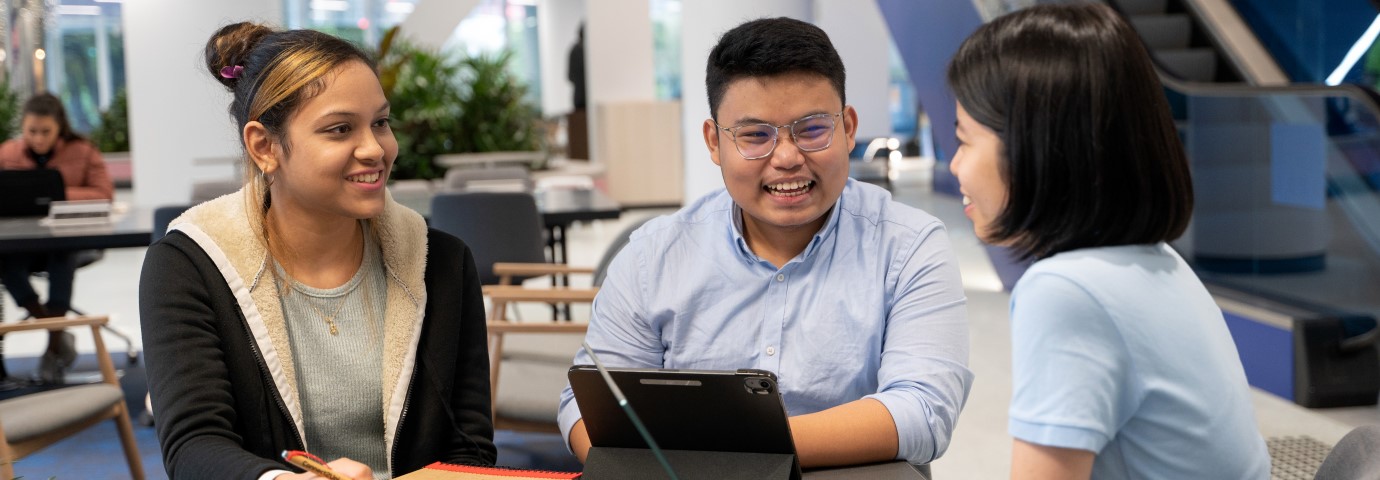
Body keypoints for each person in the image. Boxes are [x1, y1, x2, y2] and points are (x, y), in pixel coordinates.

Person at [558, 17, 972, 468]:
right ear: (714, 142)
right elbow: (589, 410)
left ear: (849, 128)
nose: (788, 158)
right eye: (756, 135)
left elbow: (923, 410)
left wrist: (727, 451)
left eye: (812, 129)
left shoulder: (909, 246)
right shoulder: (652, 257)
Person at [139, 22, 496, 480]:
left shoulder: (440, 263)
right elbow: (194, 446)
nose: (375, 149)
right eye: (340, 129)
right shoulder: (189, 266)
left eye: (381, 123)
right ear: (265, 147)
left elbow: (470, 448)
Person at [946, 4, 1271, 479]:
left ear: (1033, 149)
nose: (954, 165)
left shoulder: (1065, 291)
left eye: (964, 140)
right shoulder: (1160, 262)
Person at [0, 92, 113, 385]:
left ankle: (52, 352)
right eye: (31, 131)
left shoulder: (83, 151)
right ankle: (57, 334)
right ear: (23, 128)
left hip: (69, 240)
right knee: (6, 263)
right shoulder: (7, 154)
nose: (38, 139)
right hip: (22, 244)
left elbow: (104, 195)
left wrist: (55, 195)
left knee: (62, 253)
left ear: (59, 127)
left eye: (45, 131)